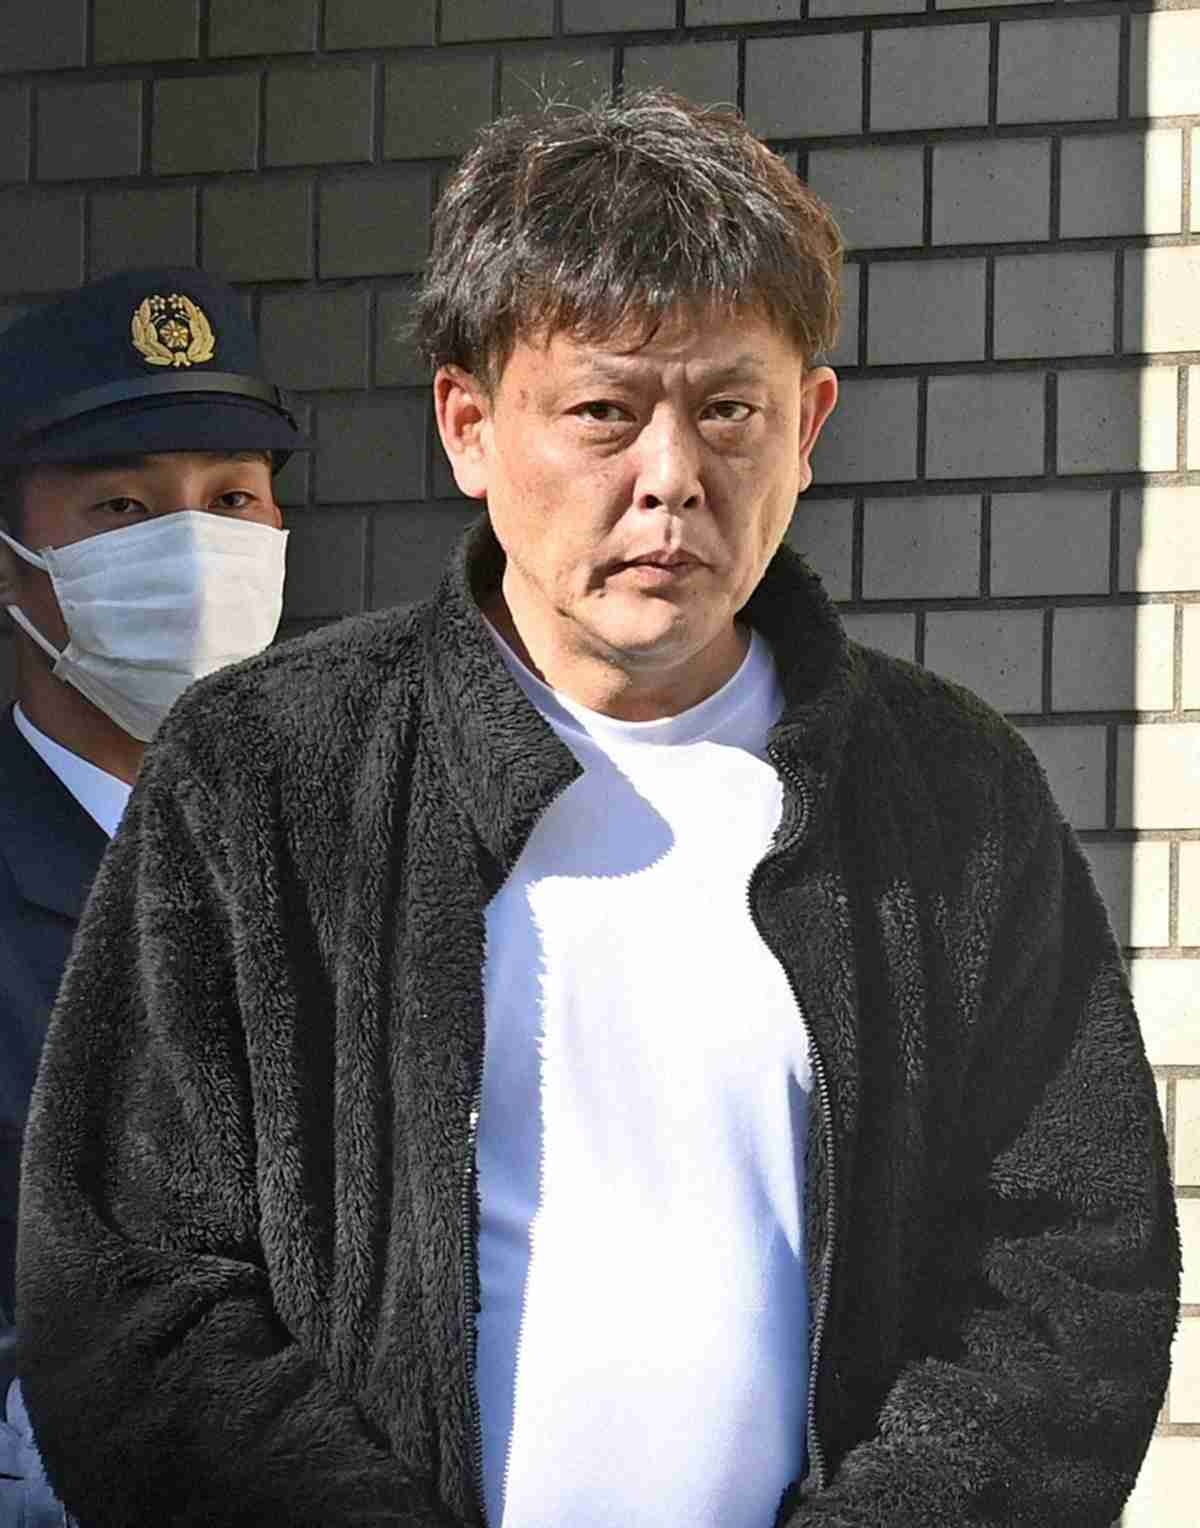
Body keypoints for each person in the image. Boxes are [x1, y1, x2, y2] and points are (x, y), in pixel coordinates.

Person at [17, 94, 1177, 1528]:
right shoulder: (265, 771)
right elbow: (131, 1283)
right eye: (604, 412)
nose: (671, 479)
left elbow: (1066, 1274)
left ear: (809, 425)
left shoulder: (949, 794)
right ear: (469, 424)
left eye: (729, 410)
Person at [0, 265, 304, 1523]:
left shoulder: (361, 854)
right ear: (13, 562)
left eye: (231, 499)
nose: (192, 550)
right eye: (123, 506)